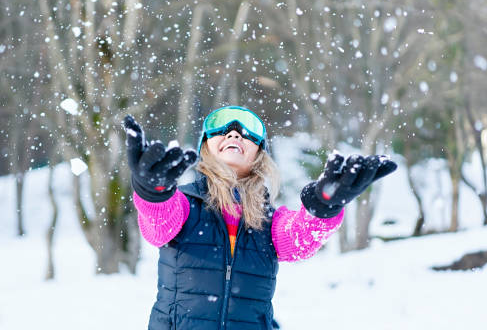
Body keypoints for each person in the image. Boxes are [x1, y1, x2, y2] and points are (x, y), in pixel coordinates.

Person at [123, 106, 397, 330]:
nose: (234, 133)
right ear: (205, 147)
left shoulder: (269, 221)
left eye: (247, 133)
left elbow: (300, 236)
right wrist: (153, 191)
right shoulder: (183, 205)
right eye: (221, 128)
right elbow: (158, 224)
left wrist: (324, 206)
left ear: (258, 155)